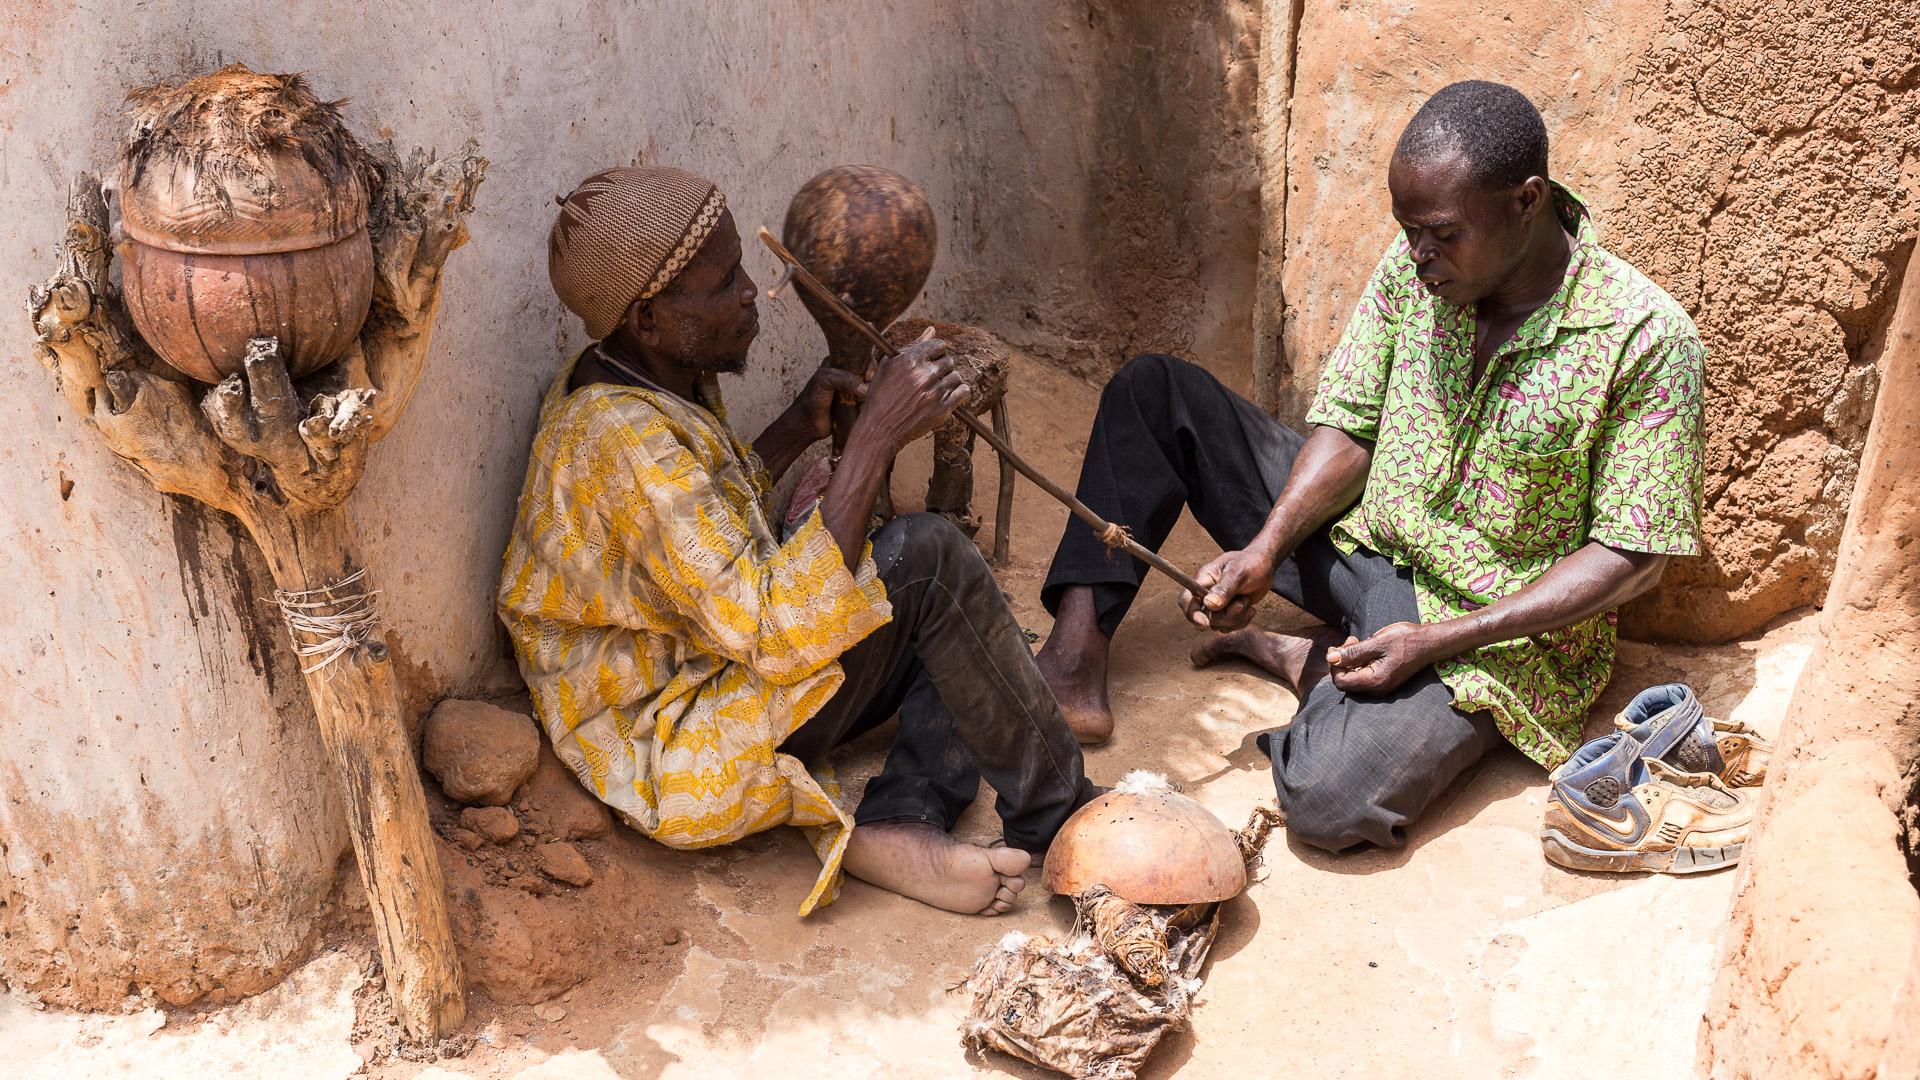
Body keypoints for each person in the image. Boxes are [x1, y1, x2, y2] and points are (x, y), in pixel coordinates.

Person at [1035, 81, 1706, 853]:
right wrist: (1268, 547)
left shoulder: (1646, 338)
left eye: (1442, 235)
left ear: (1527, 201)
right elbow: (1351, 427)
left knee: (1329, 800)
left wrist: (1436, 640)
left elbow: (1631, 558)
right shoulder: (1420, 259)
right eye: (1409, 231)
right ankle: (1076, 648)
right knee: (1155, 393)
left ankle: (1313, 661)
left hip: (1487, 629)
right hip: (1362, 538)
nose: (1419, 254)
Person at [500, 166, 1097, 917]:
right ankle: (1071, 819)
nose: (749, 290)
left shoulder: (642, 374)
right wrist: (873, 438)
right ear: (647, 319)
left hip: (707, 666)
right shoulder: (622, 437)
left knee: (939, 621)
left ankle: (901, 818)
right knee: (928, 559)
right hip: (671, 747)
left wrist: (792, 429)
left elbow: (699, 538)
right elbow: (775, 630)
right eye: (721, 284)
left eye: (740, 267)